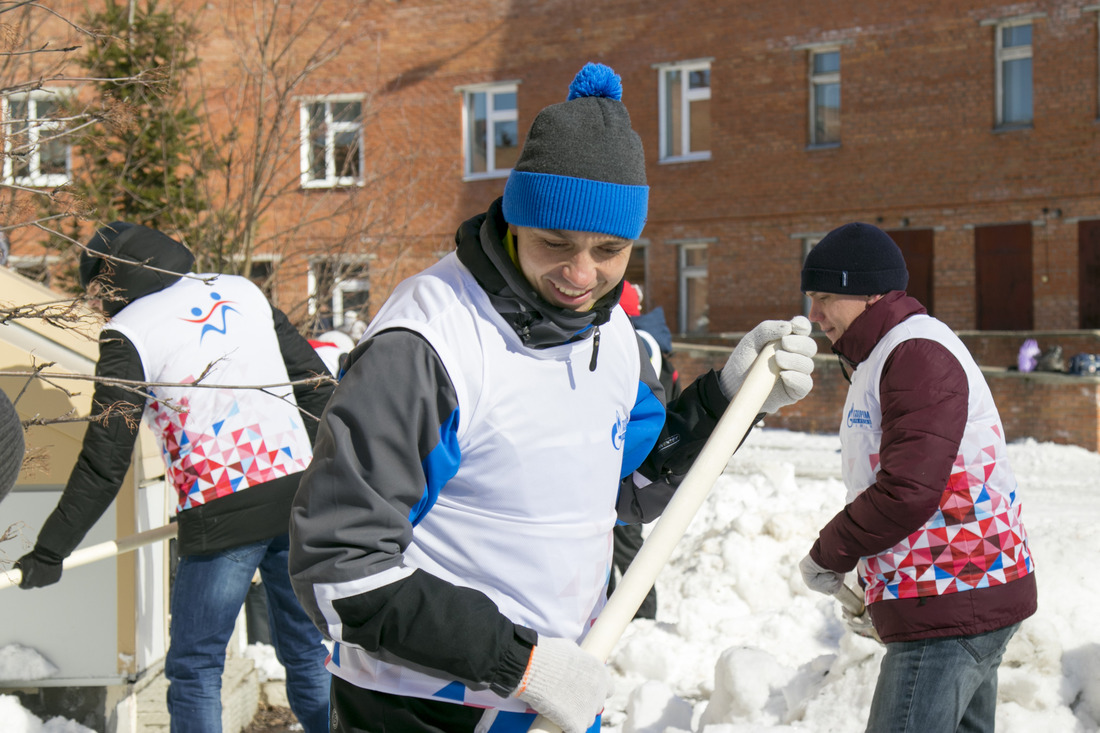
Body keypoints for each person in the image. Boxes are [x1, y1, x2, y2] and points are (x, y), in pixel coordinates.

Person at [288, 62, 817, 733]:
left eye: (610, 249)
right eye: (555, 243)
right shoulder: (429, 343)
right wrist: (522, 662)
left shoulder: (614, 334)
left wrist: (724, 401)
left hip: (555, 699)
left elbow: (626, 491)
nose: (580, 274)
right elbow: (340, 569)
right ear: (514, 217)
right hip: (421, 707)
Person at [14, 222, 335, 733]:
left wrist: (51, 550)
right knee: (308, 652)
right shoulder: (240, 290)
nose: (96, 304)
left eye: (96, 290)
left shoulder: (129, 332)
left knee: (196, 668)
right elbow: (319, 388)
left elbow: (105, 459)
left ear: (113, 277)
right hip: (299, 498)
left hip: (221, 511)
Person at [796, 222, 1037, 733]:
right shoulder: (886, 352)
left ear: (869, 292)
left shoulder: (915, 354)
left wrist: (829, 553)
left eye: (824, 297)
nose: (814, 315)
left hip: (952, 598)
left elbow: (907, 490)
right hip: (957, 590)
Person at [606, 281, 678, 620]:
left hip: (629, 466)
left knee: (624, 543)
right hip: (640, 464)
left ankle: (643, 614)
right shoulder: (653, 342)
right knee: (616, 545)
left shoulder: (629, 345)